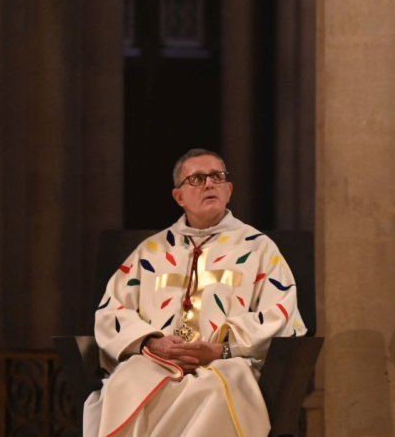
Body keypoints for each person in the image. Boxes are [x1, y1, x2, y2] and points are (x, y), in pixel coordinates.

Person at [83, 149, 307, 437]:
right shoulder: (150, 252)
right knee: (126, 382)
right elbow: (111, 312)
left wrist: (220, 349)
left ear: (229, 190)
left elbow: (281, 314)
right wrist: (151, 342)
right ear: (179, 197)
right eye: (197, 179)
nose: (209, 184)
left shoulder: (258, 248)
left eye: (217, 177)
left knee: (216, 391)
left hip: (224, 365)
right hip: (156, 361)